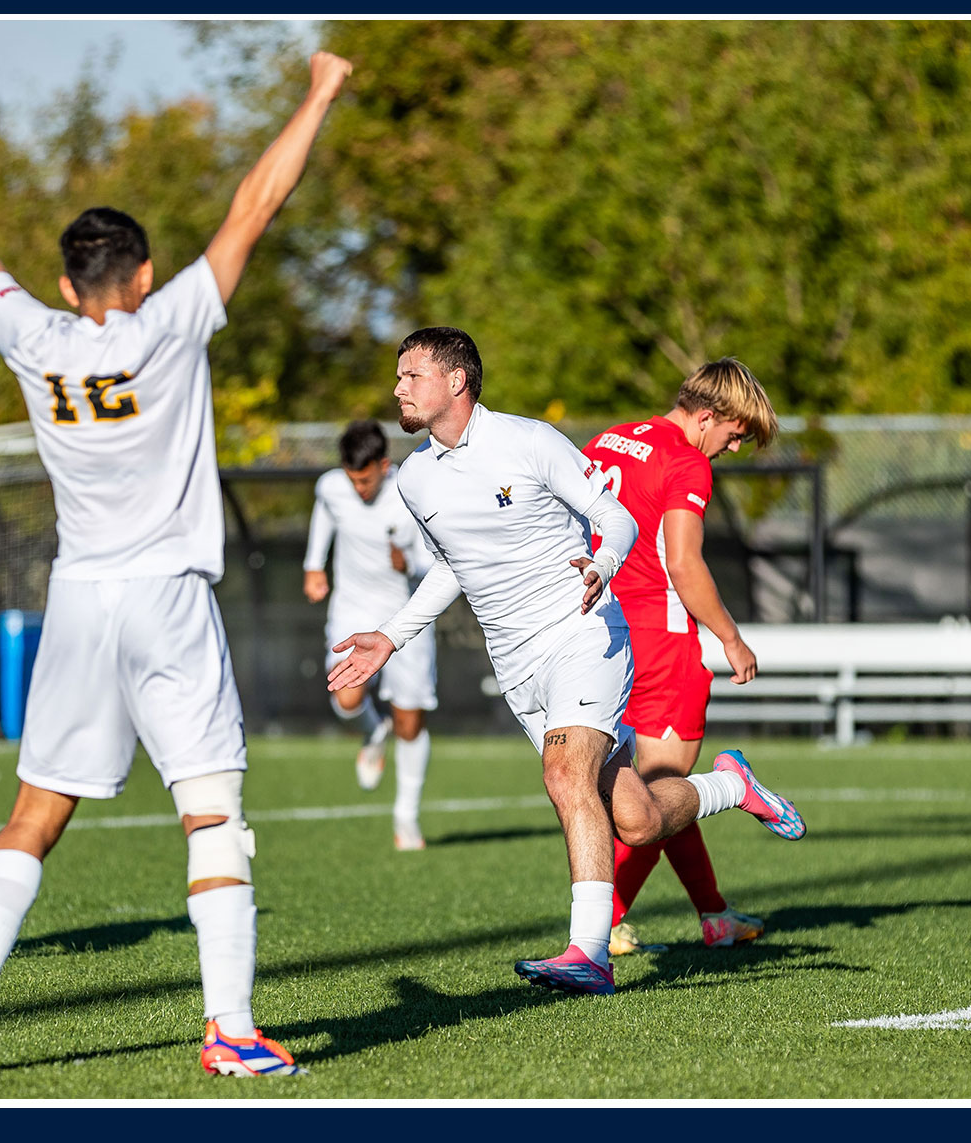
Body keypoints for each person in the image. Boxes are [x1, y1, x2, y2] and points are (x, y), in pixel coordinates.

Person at [0, 50, 354, 1078]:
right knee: (212, 815)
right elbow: (257, 202)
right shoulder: (172, 325)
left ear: (62, 283)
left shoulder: (33, 337)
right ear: (141, 277)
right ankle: (228, 1030)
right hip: (167, 601)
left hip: (80, 602)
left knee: (33, 814)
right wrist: (315, 92)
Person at [329, 328, 805, 998]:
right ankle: (735, 788)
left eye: (412, 375)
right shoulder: (415, 476)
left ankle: (589, 951)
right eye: (398, 376)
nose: (398, 387)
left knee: (563, 774)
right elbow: (449, 568)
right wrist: (392, 635)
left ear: (457, 382)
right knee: (634, 818)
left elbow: (615, 519)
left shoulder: (529, 442)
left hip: (584, 634)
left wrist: (603, 564)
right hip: (517, 661)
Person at [582, 358, 780, 956]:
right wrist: (731, 637)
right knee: (662, 794)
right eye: (735, 432)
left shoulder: (606, 440)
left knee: (648, 791)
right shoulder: (685, 459)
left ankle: (715, 916)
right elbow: (683, 563)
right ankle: (604, 922)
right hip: (662, 643)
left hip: (600, 633)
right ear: (708, 415)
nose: (734, 445)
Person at [303, 419, 440, 849]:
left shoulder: (412, 492)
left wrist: (408, 565)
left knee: (409, 720)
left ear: (385, 465)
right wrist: (313, 565)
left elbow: (434, 563)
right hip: (352, 610)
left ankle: (406, 819)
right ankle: (371, 731)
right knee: (346, 697)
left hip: (407, 615)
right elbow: (326, 515)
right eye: (352, 479)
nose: (358, 488)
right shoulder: (331, 488)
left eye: (365, 479)